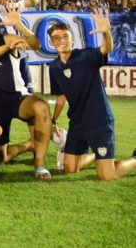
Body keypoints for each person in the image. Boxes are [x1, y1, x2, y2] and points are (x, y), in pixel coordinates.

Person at [48, 11, 136, 181]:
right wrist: (53, 121)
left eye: (65, 36)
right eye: (57, 38)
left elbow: (106, 48)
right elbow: (61, 96)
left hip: (99, 122)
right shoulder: (54, 67)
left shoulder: (85, 56)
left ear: (72, 38)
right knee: (69, 169)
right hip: (77, 123)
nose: (62, 40)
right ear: (52, 43)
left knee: (106, 175)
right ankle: (97, 155)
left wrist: (105, 32)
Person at [0, 9, 52, 179]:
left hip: (16, 99)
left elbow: (35, 45)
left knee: (41, 107)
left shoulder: (6, 39)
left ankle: (40, 164)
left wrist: (19, 25)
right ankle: (28, 145)